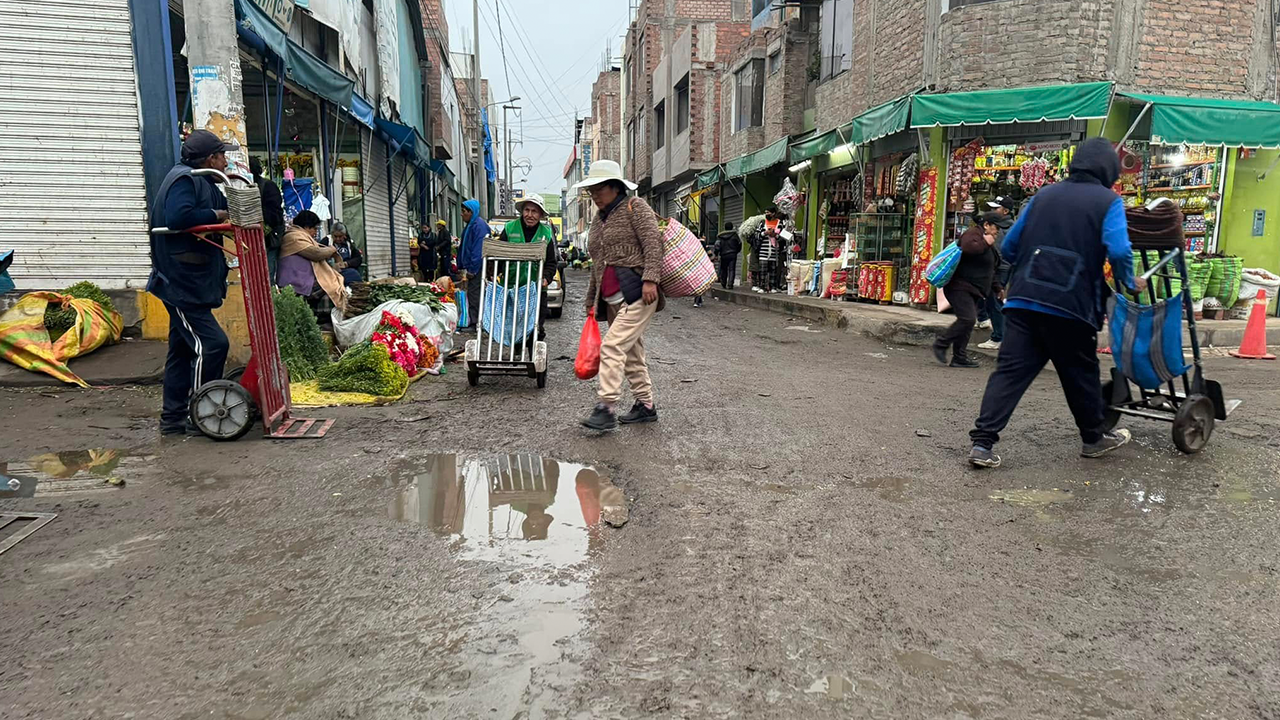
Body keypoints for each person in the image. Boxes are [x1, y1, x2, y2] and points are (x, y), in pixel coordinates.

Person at [968, 138, 1149, 469]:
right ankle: (1093, 439)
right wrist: (1128, 280)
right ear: (1108, 169)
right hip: (1071, 305)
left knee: (1009, 374)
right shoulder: (1108, 201)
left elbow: (1010, 247)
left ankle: (982, 444)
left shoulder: (1043, 196)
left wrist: (1030, 270)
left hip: (1024, 302)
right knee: (1080, 374)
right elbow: (1120, 250)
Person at [147, 129, 234, 437]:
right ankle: (201, 415)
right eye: (222, 156)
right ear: (210, 158)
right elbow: (179, 217)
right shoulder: (185, 179)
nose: (225, 162)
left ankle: (172, 420)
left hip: (191, 282)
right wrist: (217, 214)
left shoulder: (204, 181)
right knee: (212, 345)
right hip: (180, 283)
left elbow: (218, 213)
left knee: (182, 351)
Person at [572, 159, 664, 431]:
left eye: (599, 189)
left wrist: (651, 279)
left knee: (611, 347)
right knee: (631, 353)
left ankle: (607, 407)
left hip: (638, 293)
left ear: (615, 187)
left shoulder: (636, 207)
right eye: (591, 191)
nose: (595, 195)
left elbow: (653, 244)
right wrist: (591, 299)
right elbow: (597, 264)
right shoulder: (599, 220)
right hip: (611, 298)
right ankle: (645, 405)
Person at [933, 213, 1002, 369]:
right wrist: (986, 243)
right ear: (986, 225)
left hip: (974, 289)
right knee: (967, 319)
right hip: (959, 286)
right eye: (996, 227)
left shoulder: (986, 240)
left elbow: (990, 268)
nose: (997, 231)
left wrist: (997, 287)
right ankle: (941, 344)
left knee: (967, 323)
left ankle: (959, 357)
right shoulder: (973, 234)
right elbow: (968, 248)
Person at [496, 194, 559, 341]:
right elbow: (498, 255)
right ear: (522, 211)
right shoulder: (509, 228)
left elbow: (551, 263)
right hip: (512, 287)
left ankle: (533, 353)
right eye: (527, 210)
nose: (530, 215)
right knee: (512, 328)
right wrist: (494, 273)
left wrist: (546, 278)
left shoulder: (546, 233)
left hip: (536, 290)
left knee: (535, 329)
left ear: (540, 214)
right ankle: (516, 351)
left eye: (534, 211)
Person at [278, 210, 347, 312]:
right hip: (297, 284)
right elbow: (316, 254)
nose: (315, 233)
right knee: (333, 285)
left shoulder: (300, 236)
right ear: (307, 227)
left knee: (340, 278)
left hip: (303, 279)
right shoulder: (293, 237)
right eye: (315, 229)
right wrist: (332, 250)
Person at [977, 196, 1016, 350]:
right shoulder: (1007, 226)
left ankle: (998, 337)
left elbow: (999, 251)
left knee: (995, 300)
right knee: (990, 298)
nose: (992, 210)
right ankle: (985, 321)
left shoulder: (1003, 228)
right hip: (1000, 267)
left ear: (1005, 211)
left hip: (1000, 268)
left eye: (996, 208)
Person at [249, 156, 284, 285]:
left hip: (267, 241)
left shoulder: (267, 186)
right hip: (250, 241)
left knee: (265, 278)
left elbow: (276, 215)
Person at [457, 199, 489, 329]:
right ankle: (473, 320)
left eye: (464, 211)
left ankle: (476, 322)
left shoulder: (478, 226)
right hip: (473, 267)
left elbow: (478, 249)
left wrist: (472, 270)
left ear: (471, 212)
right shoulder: (471, 225)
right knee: (473, 293)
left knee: (475, 294)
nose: (461, 214)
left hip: (477, 268)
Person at [717, 222, 741, 290]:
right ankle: (730, 284)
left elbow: (717, 245)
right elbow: (739, 244)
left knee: (724, 269)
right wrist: (736, 251)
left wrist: (717, 253)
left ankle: (723, 282)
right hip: (733, 254)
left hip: (723, 255)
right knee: (732, 269)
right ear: (732, 227)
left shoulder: (720, 236)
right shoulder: (735, 235)